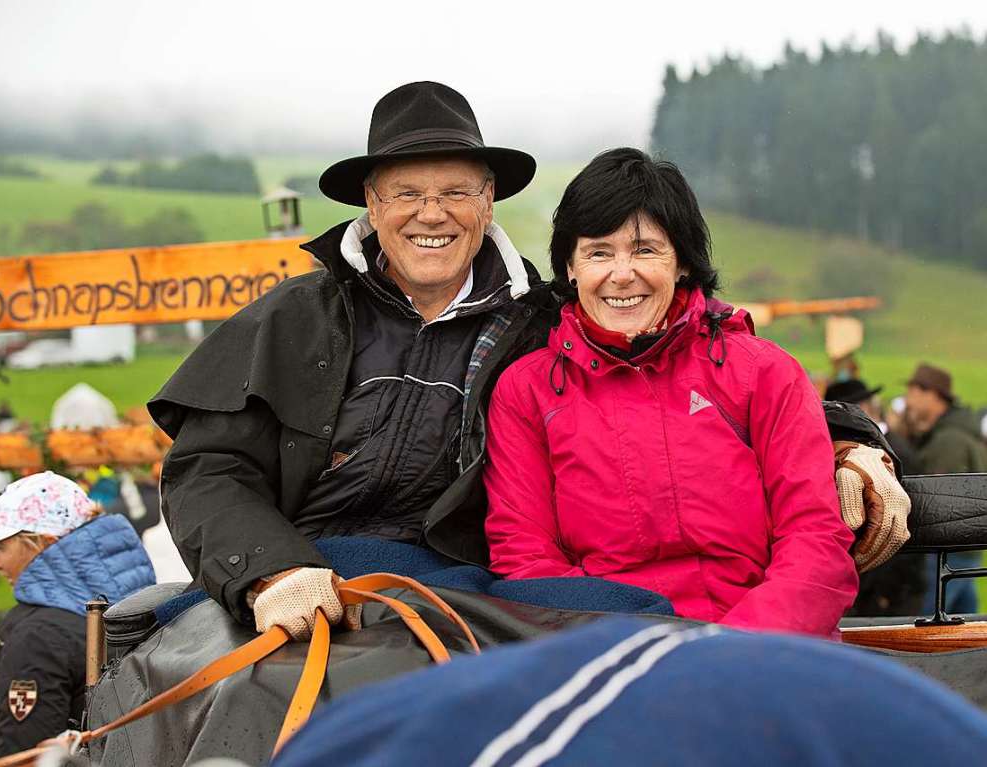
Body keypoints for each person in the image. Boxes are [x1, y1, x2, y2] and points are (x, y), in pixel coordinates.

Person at [150, 84, 906, 643]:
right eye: (407, 193)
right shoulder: (293, 316)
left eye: (454, 191)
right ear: (371, 206)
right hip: (294, 572)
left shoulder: (538, 323)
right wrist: (270, 570)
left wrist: (852, 442)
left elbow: (695, 363)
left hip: (446, 589)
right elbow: (207, 467)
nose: (431, 213)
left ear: (487, 203)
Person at [483, 148, 859, 637]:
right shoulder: (526, 391)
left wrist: (735, 648)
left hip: (759, 650)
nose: (621, 274)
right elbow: (525, 556)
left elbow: (815, 540)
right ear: (570, 269)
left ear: (682, 261)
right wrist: (630, 653)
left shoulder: (765, 374)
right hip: (605, 653)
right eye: (599, 252)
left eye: (645, 249)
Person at [0, 471, 155, 757]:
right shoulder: (131, 612)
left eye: (2, 546)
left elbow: (26, 757)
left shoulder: (39, 638)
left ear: (46, 543)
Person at [825, 378, 925, 616]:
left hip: (888, 583)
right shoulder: (895, 445)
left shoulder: (896, 450)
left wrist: (886, 592)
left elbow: (905, 519)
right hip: (862, 579)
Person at [905, 363, 987, 614]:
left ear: (932, 395)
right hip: (965, 549)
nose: (909, 399)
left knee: (927, 629)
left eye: (913, 391)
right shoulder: (957, 433)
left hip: (946, 552)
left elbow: (937, 502)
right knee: (964, 634)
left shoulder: (948, 441)